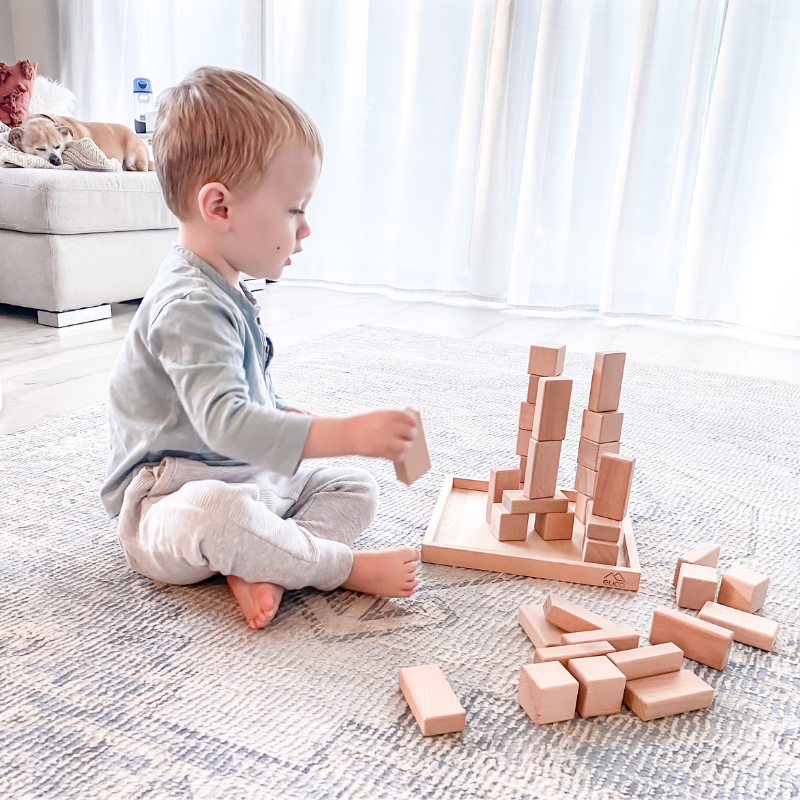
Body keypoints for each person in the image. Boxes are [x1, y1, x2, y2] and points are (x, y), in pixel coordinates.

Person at [100, 67, 420, 630]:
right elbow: (227, 423)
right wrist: (349, 432)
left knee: (353, 487)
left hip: (245, 476)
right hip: (170, 499)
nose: (306, 229)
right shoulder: (188, 305)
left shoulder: (227, 284)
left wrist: (301, 423)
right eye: (294, 209)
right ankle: (331, 566)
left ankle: (267, 559)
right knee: (221, 516)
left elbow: (254, 401)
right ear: (220, 208)